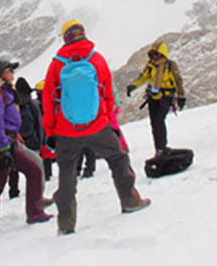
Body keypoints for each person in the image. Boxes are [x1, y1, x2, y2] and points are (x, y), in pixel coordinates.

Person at [43, 21, 151, 235]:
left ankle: (66, 224)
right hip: (97, 126)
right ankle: (129, 199)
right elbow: (108, 93)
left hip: (66, 129)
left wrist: (50, 131)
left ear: (65, 38)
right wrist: (106, 117)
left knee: (67, 172)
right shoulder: (96, 59)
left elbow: (48, 100)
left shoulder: (56, 64)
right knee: (118, 158)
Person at [0, 58, 53, 234]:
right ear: (1, 74)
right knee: (34, 170)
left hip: (5, 142)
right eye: (9, 70)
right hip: (4, 143)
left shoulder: (1, 92)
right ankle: (34, 212)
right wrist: (5, 148)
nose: (12, 73)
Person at [126, 41, 186, 155]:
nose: (155, 57)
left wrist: (180, 96)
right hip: (153, 97)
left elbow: (178, 81)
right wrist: (133, 85)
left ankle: (162, 147)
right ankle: (159, 148)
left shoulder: (170, 65)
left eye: (157, 54)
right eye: (153, 55)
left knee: (159, 121)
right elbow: (144, 77)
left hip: (165, 97)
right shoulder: (150, 65)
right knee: (154, 122)